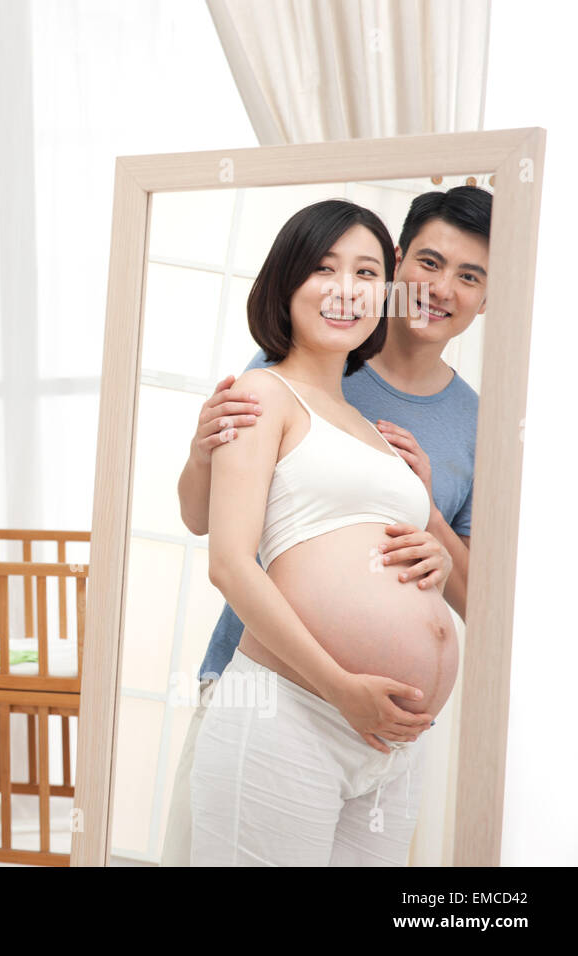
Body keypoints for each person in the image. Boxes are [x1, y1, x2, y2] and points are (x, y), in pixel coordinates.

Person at [160, 188, 486, 867]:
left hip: (391, 739)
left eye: (471, 275)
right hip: (281, 695)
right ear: (404, 265)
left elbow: (473, 594)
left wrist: (434, 536)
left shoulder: (428, 425)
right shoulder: (269, 384)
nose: (442, 287)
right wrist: (199, 454)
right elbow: (212, 533)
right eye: (429, 261)